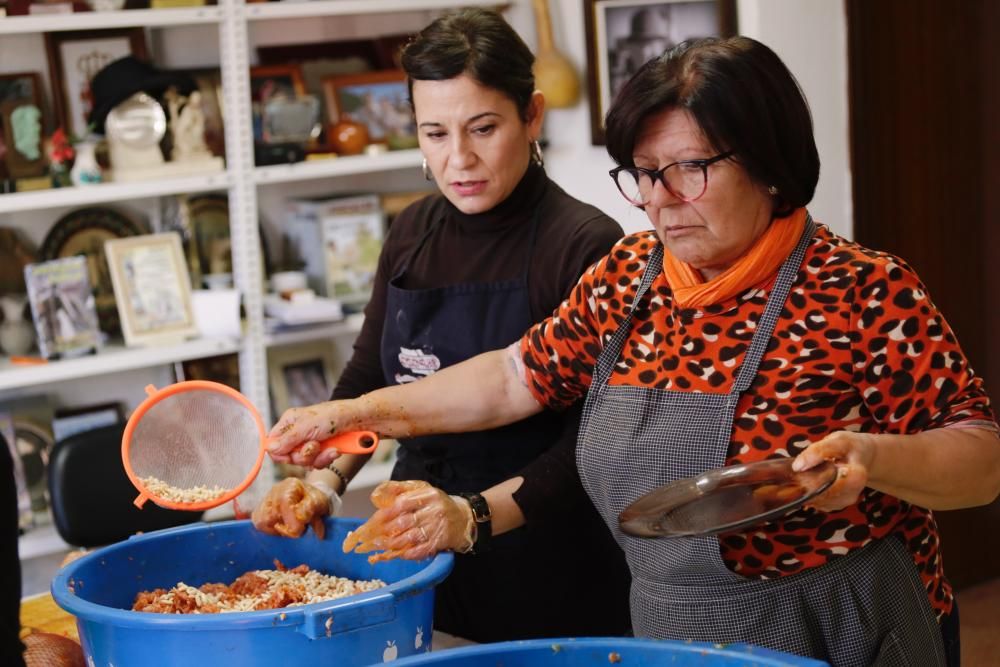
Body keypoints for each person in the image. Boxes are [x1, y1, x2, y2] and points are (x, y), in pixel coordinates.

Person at [265, 35, 1000, 666]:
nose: (659, 199)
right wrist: (357, 411)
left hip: (839, 626)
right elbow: (512, 376)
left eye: (689, 169)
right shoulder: (630, 275)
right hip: (670, 629)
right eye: (645, 174)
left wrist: (876, 458)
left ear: (770, 161)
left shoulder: (862, 289)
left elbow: (981, 458)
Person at [253, 8, 631, 642]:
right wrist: (322, 483)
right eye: (434, 133)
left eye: (483, 128)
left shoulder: (586, 244)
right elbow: (370, 375)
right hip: (415, 552)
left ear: (532, 115)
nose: (459, 159)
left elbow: (592, 446)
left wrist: (472, 517)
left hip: (547, 563)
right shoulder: (412, 231)